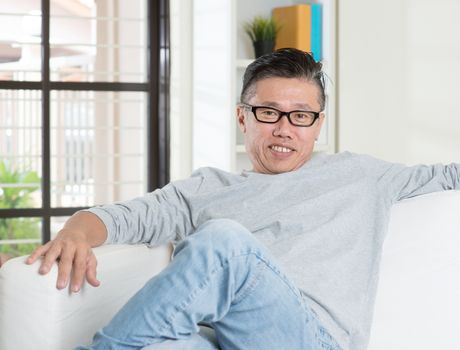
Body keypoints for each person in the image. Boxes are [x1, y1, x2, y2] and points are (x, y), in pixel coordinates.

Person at [26, 48, 460, 350]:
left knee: (224, 241)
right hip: (219, 340)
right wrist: (76, 230)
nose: (284, 129)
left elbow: (450, 175)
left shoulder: (364, 176)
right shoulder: (207, 188)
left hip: (312, 340)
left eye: (301, 116)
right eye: (268, 113)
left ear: (318, 123)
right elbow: (123, 217)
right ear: (243, 117)